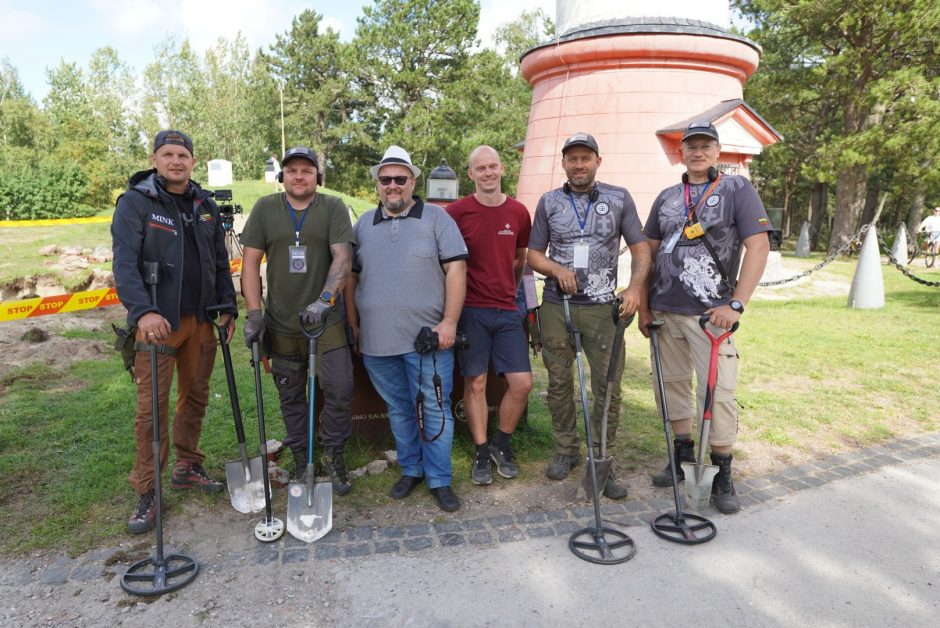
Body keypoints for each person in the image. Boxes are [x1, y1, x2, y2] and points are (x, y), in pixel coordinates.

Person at [638, 121, 771, 514]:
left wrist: (736, 305)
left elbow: (758, 246)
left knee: (719, 395)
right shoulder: (666, 197)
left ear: (717, 151)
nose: (697, 152)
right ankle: (681, 458)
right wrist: (644, 306)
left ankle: (722, 471)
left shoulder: (736, 189)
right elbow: (647, 252)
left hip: (711, 318)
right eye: (690, 146)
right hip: (664, 311)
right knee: (672, 388)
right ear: (682, 152)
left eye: (705, 146)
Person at [111, 130, 237, 534]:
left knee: (195, 397)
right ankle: (148, 490)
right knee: (152, 409)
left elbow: (220, 261)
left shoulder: (205, 205)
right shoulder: (136, 203)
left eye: (183, 154)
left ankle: (187, 465)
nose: (176, 161)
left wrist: (228, 306)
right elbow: (125, 264)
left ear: (193, 162)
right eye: (168, 154)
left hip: (202, 321)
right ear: (154, 159)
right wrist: (142, 311)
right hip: (158, 324)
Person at [527, 132, 650, 499]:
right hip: (556, 306)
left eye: (585, 158)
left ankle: (602, 460)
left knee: (607, 388)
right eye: (572, 159)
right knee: (560, 383)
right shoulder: (548, 202)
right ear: (563, 163)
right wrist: (554, 269)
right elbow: (533, 254)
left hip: (602, 310)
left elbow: (641, 250)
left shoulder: (619, 198)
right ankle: (566, 449)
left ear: (598, 161)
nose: (579, 165)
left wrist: (634, 289)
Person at [345, 146, 468, 512]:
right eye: (386, 180)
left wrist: (449, 322)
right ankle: (411, 469)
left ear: (413, 181)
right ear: (378, 185)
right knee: (398, 408)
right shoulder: (364, 224)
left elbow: (457, 270)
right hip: (378, 339)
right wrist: (353, 323)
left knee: (436, 408)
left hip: (429, 340)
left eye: (401, 179)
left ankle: (440, 478)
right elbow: (352, 277)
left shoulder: (437, 219)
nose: (393, 185)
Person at [240, 146, 356, 495]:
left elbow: (343, 257)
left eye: (307, 170)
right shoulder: (264, 209)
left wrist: (324, 301)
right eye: (292, 171)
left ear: (316, 177)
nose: (299, 176)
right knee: (291, 396)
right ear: (283, 177)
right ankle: (302, 456)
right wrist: (255, 314)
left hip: (326, 322)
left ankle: (334, 454)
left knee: (339, 388)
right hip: (281, 324)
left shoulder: (332, 207)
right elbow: (249, 264)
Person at [446, 146, 533, 486]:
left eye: (492, 166)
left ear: (502, 169)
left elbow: (520, 260)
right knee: (476, 382)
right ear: (470, 174)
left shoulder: (518, 212)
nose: (487, 173)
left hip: (507, 309)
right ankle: (481, 451)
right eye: (480, 168)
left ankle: (502, 443)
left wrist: (511, 293)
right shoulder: (456, 212)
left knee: (522, 383)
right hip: (471, 311)